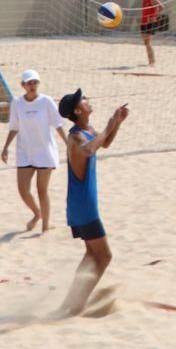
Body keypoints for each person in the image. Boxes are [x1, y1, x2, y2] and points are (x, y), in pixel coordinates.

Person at [58, 88, 129, 316]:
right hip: (83, 206)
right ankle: (77, 306)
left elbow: (103, 143)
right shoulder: (76, 136)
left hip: (83, 204)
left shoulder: (87, 130)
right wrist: (109, 125)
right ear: (78, 110)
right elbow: (89, 149)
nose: (88, 100)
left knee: (91, 255)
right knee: (104, 256)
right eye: (84, 100)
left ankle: (70, 301)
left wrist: (115, 122)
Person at [1, 70, 69, 233]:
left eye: (34, 82)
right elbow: (14, 127)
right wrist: (5, 148)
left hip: (44, 152)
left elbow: (58, 124)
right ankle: (37, 214)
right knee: (23, 190)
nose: (32, 86)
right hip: (25, 151)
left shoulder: (46, 101)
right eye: (28, 83)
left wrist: (68, 144)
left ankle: (45, 226)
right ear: (22, 85)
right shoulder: (17, 103)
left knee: (41, 190)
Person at [138, 0, 166, 67]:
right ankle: (150, 61)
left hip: (151, 23)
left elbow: (161, 7)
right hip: (143, 22)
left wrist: (155, 16)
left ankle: (152, 62)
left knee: (148, 42)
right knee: (146, 42)